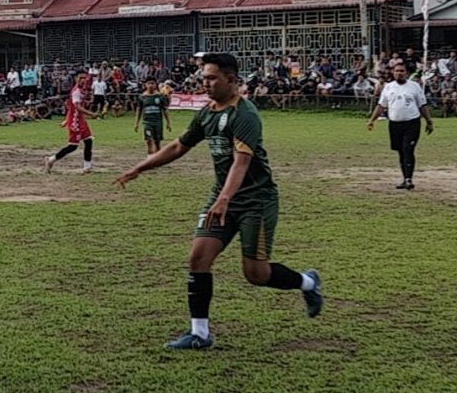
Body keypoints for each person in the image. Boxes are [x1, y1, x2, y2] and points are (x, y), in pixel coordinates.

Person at [114, 53, 323, 350]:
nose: (205, 83)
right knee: (198, 258)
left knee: (256, 274)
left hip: (255, 201)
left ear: (231, 79)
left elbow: (241, 162)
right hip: (221, 196)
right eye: (203, 77)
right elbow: (178, 146)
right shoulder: (207, 112)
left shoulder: (245, 114)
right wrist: (140, 167)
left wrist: (225, 198)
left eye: (211, 78)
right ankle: (200, 333)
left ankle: (308, 283)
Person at [367, 63, 434, 190]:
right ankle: (405, 178)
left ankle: (409, 179)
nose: (399, 73)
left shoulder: (414, 87)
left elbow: (422, 105)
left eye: (402, 71)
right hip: (395, 124)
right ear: (393, 72)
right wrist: (372, 120)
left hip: (412, 123)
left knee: (408, 148)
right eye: (397, 71)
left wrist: (429, 121)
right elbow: (381, 105)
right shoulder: (388, 87)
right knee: (400, 151)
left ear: (406, 73)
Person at [44, 73, 98, 173]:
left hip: (81, 120)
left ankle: (87, 166)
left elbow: (71, 107)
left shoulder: (82, 90)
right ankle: (51, 159)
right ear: (76, 79)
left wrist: (65, 120)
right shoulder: (76, 91)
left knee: (88, 141)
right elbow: (77, 107)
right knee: (73, 146)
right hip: (75, 122)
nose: (83, 80)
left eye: (84, 78)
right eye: (80, 78)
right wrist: (91, 113)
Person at [134, 76, 172, 154]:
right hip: (147, 122)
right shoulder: (142, 97)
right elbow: (139, 110)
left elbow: (165, 110)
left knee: (157, 142)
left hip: (158, 122)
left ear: (156, 84)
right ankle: (150, 159)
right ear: (145, 85)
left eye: (152, 83)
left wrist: (168, 122)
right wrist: (136, 123)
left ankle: (157, 160)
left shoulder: (160, 96)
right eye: (148, 83)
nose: (150, 85)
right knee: (148, 141)